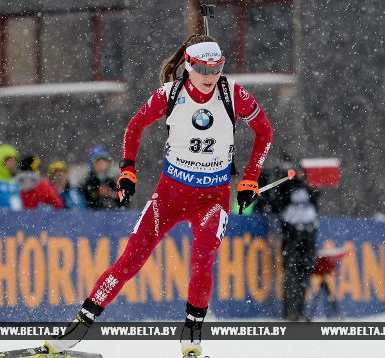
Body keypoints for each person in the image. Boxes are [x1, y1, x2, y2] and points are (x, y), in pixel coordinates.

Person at [43, 34, 273, 357]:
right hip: (169, 196)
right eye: (203, 69)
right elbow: (134, 127)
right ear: (189, 66)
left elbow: (265, 131)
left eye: (217, 68)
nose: (210, 77)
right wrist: (127, 170)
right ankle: (76, 329)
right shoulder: (170, 94)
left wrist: (250, 179)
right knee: (129, 262)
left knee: (202, 261)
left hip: (212, 199)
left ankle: (191, 340)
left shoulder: (233, 93)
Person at [260, 163, 319, 321]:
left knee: (303, 275)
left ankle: (299, 311)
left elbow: (315, 200)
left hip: (307, 235)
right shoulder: (286, 188)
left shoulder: (307, 190)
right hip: (292, 236)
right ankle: (290, 312)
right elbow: (277, 204)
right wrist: (290, 182)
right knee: (292, 276)